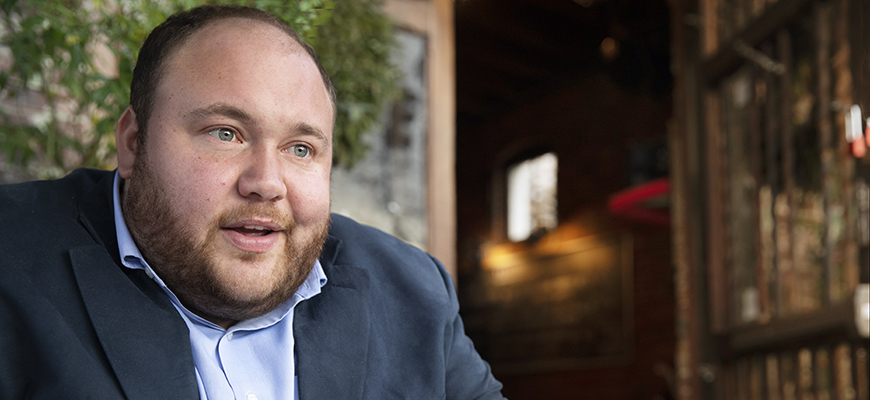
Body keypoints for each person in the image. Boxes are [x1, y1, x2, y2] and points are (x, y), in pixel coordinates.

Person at [0, 5, 505, 399]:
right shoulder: (12, 256)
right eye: (226, 133)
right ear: (134, 142)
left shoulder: (414, 291)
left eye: (300, 148)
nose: (267, 183)